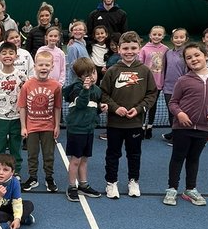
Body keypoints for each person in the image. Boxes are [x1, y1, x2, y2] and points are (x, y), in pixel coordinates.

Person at [162, 43, 208, 207]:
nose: (193, 59)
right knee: (177, 158)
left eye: (196, 55)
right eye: (189, 57)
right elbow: (173, 103)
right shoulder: (183, 80)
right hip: (182, 128)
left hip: (203, 128)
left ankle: (190, 189)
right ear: (186, 62)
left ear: (205, 56)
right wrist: (179, 114)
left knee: (194, 159)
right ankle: (172, 189)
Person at [100, 32, 155, 198]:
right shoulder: (112, 71)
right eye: (125, 48)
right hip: (115, 123)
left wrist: (138, 109)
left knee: (134, 154)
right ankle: (111, 183)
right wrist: (115, 108)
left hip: (136, 123)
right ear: (119, 49)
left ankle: (133, 181)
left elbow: (152, 94)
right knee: (113, 154)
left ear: (139, 49)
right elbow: (103, 94)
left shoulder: (145, 71)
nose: (129, 51)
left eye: (133, 48)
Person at [19, 48, 62, 193]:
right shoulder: (27, 85)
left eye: (47, 65)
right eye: (40, 65)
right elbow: (23, 107)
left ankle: (49, 177)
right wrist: (23, 127)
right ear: (35, 66)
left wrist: (57, 126)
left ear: (52, 67)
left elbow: (57, 107)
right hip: (32, 127)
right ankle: (33, 177)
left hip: (48, 127)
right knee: (32, 154)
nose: (43, 67)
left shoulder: (56, 86)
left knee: (48, 155)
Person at [62, 57, 104, 199]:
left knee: (84, 159)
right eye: (87, 75)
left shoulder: (97, 90)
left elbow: (91, 108)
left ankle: (83, 185)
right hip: (76, 129)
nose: (91, 77)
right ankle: (72, 186)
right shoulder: (76, 89)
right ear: (80, 77)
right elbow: (80, 104)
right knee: (75, 160)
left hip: (88, 129)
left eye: (93, 73)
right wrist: (85, 90)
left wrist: (100, 108)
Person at [0, 41, 26, 175]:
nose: (7, 56)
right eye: (4, 53)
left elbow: (24, 97)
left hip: (17, 117)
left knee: (15, 147)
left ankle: (16, 172)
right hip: (0, 117)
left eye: (11, 53)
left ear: (16, 56)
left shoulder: (22, 76)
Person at [138, 27, 168, 136]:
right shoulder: (144, 49)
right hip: (146, 84)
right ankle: (141, 128)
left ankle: (149, 127)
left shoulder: (165, 49)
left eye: (159, 35)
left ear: (163, 36)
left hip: (159, 83)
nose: (156, 36)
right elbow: (140, 65)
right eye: (154, 34)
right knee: (144, 105)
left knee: (153, 106)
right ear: (150, 35)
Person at [65, 20, 90, 86]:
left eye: (80, 30)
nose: (78, 32)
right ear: (72, 32)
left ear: (85, 32)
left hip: (84, 78)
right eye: (75, 30)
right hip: (76, 81)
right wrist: (82, 76)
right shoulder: (72, 47)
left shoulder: (83, 43)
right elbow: (72, 65)